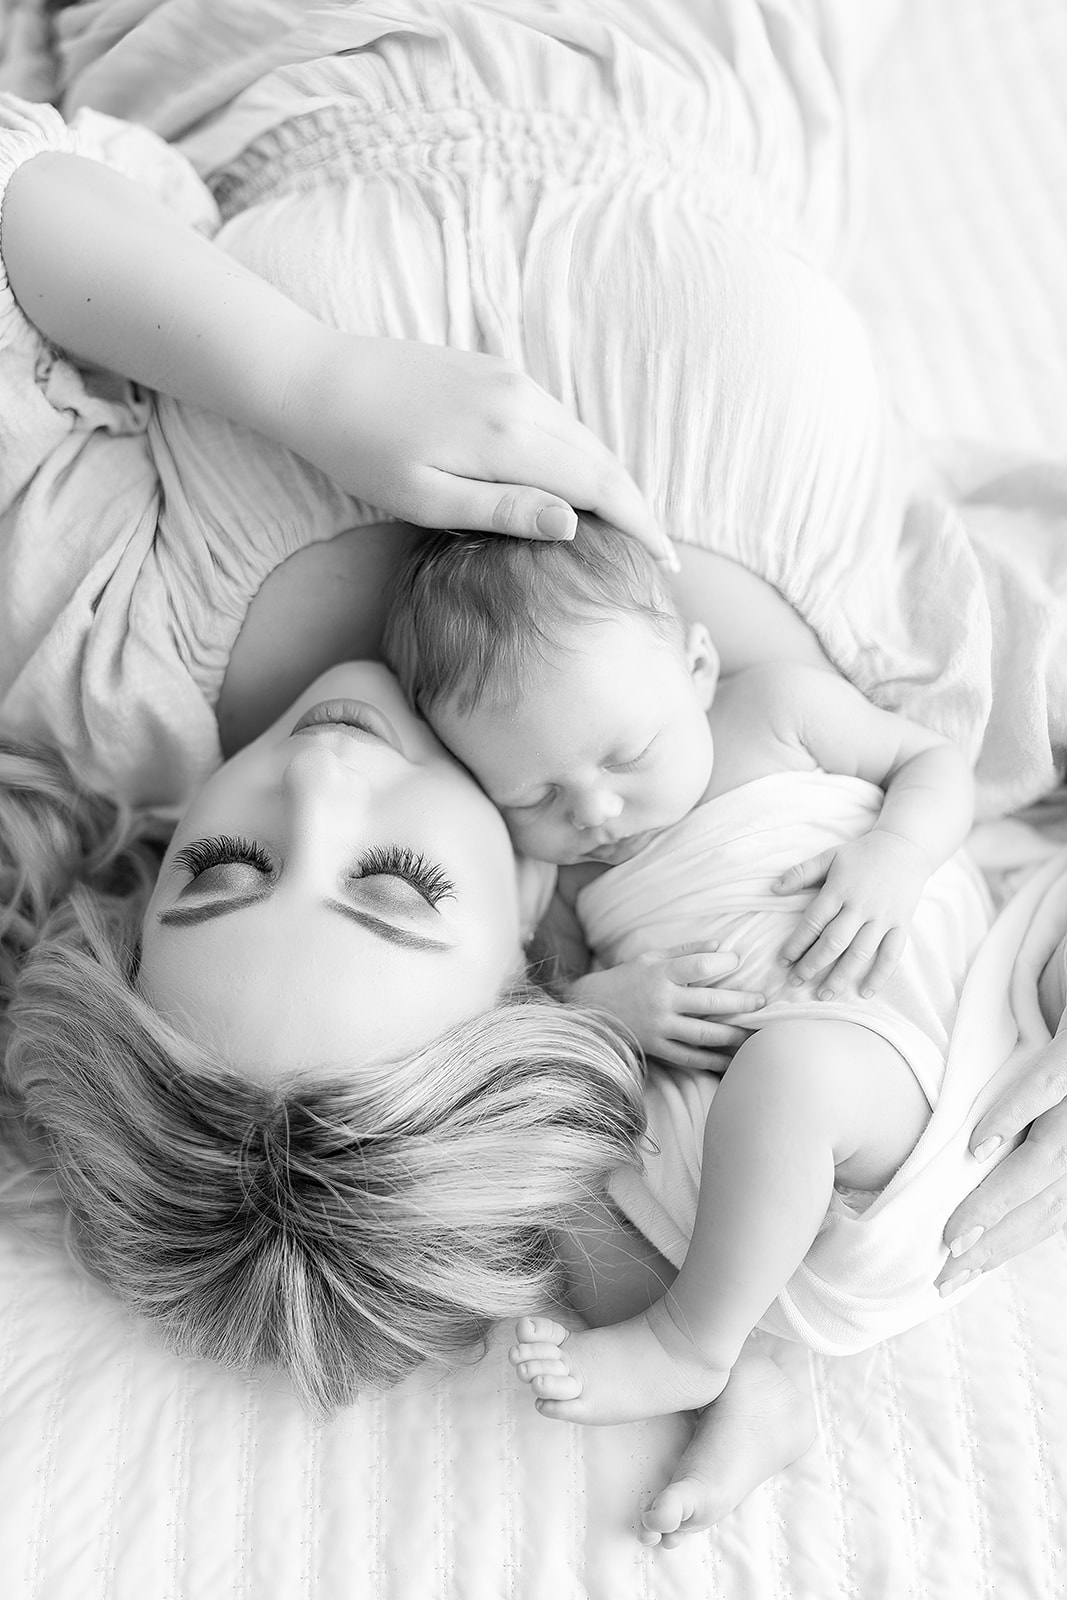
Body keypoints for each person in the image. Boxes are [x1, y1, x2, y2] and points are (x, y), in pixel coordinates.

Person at [1, 0, 1066, 1547]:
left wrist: (296, 377)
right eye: (396, 883)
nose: (318, 783)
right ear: (522, 961)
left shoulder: (122, 666)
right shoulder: (827, 728)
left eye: (216, 867)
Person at [383, 517, 997, 1442]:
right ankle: (751, 1392)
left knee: (792, 1078)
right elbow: (531, 1009)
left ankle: (688, 1341)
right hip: (738, 1148)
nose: (593, 809)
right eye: (533, 798)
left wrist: (896, 850)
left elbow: (932, 761)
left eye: (626, 755)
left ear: (698, 670)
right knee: (540, 1175)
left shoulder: (774, 711)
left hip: (902, 1075)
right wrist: (600, 1007)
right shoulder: (559, 882)